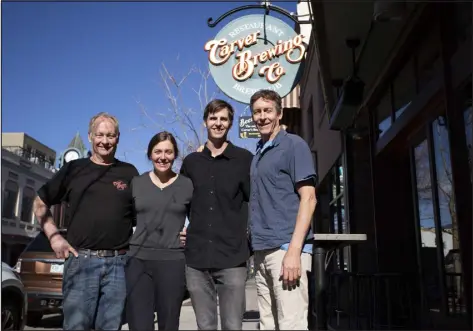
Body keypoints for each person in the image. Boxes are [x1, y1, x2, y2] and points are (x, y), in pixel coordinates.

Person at [33, 112, 139, 330]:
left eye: (110, 136)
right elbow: (39, 203)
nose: (105, 141)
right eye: (100, 135)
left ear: (118, 138)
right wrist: (54, 238)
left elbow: (143, 214)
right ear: (90, 136)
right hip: (81, 262)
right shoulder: (74, 169)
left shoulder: (129, 173)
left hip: (118, 266)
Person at [180, 99, 253, 330]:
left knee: (233, 325)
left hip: (232, 257)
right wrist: (178, 230)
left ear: (230, 123)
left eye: (223, 119)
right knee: (205, 325)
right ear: (205, 122)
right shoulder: (191, 162)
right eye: (213, 118)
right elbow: (180, 203)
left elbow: (255, 202)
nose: (218, 123)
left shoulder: (244, 160)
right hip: (197, 259)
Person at [249, 89, 317, 330]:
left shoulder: (293, 145)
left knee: (292, 325)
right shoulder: (258, 153)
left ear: (278, 113)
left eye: (267, 110)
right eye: (257, 112)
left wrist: (294, 251)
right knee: (268, 324)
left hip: (285, 250)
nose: (262, 116)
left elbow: (309, 198)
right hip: (261, 251)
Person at [125, 131, 193, 330]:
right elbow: (124, 218)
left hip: (172, 262)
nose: (163, 157)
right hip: (137, 260)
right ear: (150, 154)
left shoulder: (186, 184)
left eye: (168, 152)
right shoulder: (137, 183)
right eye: (158, 152)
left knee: (169, 324)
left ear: (175, 155)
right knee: (139, 324)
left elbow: (199, 218)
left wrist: (192, 233)